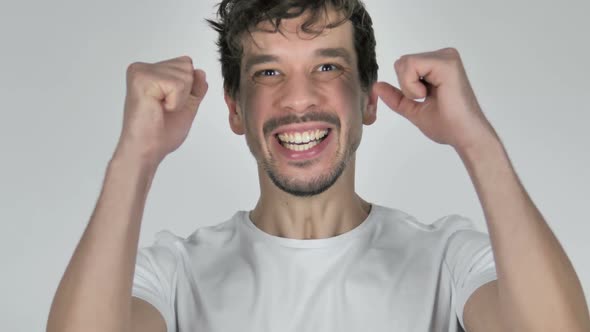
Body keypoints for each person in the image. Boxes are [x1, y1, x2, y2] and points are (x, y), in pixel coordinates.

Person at [46, 0, 590, 331]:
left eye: (327, 65)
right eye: (268, 73)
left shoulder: (448, 259)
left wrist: (478, 141)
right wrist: (134, 159)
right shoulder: (173, 273)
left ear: (369, 100)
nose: (297, 100)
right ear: (234, 109)